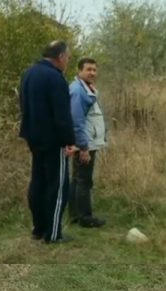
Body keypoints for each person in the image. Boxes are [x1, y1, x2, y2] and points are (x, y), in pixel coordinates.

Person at [19, 40, 77, 244]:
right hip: (54, 141)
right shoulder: (55, 78)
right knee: (58, 185)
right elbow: (62, 116)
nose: (68, 62)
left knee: (39, 182)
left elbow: (23, 107)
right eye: (68, 58)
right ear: (60, 57)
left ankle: (38, 229)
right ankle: (53, 234)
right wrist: (69, 141)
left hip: (33, 138)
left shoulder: (29, 74)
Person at [68, 57, 107, 228]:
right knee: (84, 180)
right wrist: (83, 147)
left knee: (77, 179)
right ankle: (85, 218)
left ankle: (75, 215)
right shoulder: (78, 91)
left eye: (94, 70)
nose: (92, 73)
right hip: (85, 143)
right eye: (88, 69)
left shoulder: (86, 89)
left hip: (85, 142)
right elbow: (77, 121)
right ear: (79, 71)